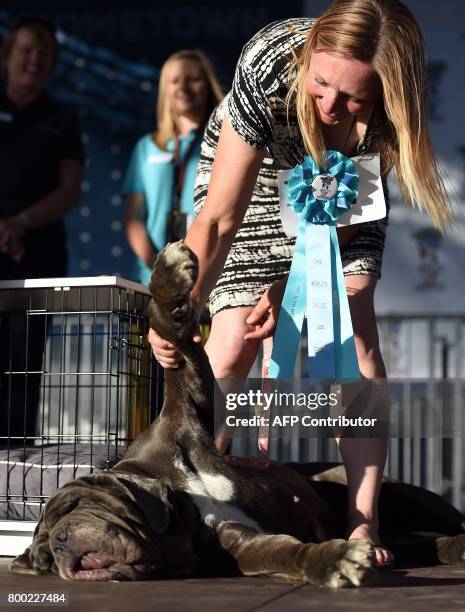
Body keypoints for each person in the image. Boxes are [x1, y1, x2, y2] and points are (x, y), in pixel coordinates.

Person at [149, 0, 452, 567]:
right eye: (321, 83)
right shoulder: (268, 64)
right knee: (234, 334)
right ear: (309, 52)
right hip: (260, 170)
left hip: (339, 184)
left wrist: (287, 286)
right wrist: (180, 310)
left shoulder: (387, 117)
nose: (331, 106)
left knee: (354, 328)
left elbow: (331, 257)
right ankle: (200, 506)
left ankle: (365, 520)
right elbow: (218, 219)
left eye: (354, 98)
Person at [0, 17, 84, 442]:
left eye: (44, 55)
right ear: (8, 55)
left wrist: (19, 224)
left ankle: (13, 463)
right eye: (27, 51)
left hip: (38, 256)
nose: (35, 61)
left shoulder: (62, 118)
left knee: (22, 362)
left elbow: (69, 190)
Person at [123, 50, 223, 286]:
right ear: (164, 90)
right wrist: (159, 268)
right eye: (175, 81)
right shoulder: (147, 148)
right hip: (154, 280)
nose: (184, 87)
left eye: (194, 79)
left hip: (211, 278)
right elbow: (133, 217)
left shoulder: (226, 143)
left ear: (208, 85)